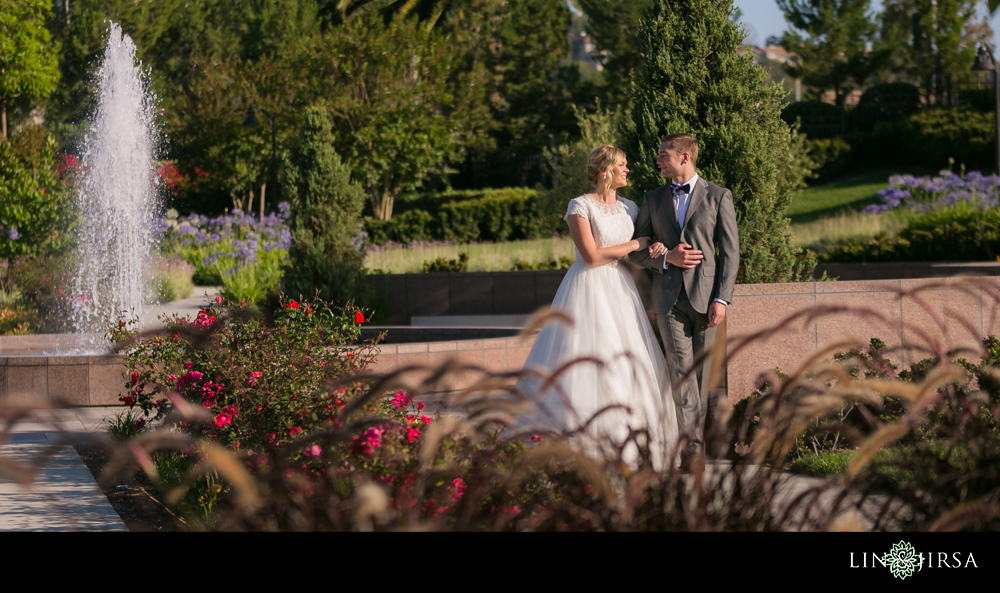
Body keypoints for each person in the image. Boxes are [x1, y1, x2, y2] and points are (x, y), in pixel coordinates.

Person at [515, 145, 679, 468]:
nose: (627, 170)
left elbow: (642, 252)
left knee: (626, 360)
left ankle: (630, 441)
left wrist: (656, 248)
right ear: (605, 170)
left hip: (621, 287)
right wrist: (634, 244)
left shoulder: (630, 208)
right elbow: (590, 255)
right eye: (623, 165)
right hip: (587, 287)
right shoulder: (579, 206)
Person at [629, 133, 740, 459]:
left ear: (685, 158)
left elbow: (730, 253)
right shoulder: (652, 199)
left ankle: (703, 446)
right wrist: (664, 258)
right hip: (667, 300)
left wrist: (722, 299)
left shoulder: (718, 196)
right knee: (681, 375)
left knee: (703, 378)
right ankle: (692, 454)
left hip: (707, 302)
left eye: (664, 155)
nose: (658, 160)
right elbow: (637, 252)